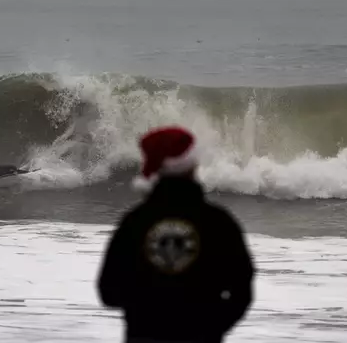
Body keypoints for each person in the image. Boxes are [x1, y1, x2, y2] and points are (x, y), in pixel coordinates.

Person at [96, 126, 255, 343]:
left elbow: (108, 292)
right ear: (192, 165)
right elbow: (242, 291)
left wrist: (146, 310)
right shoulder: (218, 222)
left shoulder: (135, 223)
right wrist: (212, 328)